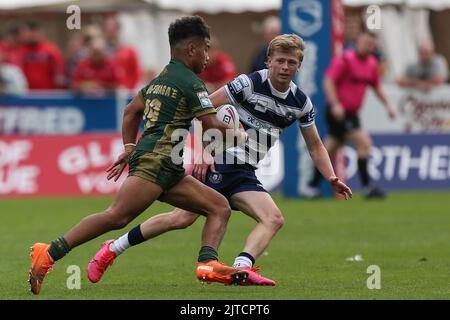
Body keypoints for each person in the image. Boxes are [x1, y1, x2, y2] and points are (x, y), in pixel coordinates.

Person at [86, 34, 352, 286]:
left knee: (255, 218)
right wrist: (204, 152)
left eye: (291, 62)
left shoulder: (300, 103)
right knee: (193, 218)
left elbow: (316, 145)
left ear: (298, 65)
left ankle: (240, 267)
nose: (284, 66)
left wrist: (331, 177)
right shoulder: (248, 84)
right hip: (222, 161)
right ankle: (114, 248)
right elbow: (204, 109)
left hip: (245, 170)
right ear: (268, 60)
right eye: (279, 60)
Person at [28, 15, 249, 295]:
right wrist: (241, 134)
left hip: (168, 167)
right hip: (157, 162)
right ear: (192, 48)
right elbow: (212, 126)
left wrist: (130, 148)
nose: (208, 56)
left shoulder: (159, 80)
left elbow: (131, 111)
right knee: (116, 217)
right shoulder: (191, 83)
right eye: (206, 48)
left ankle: (208, 264)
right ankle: (47, 253)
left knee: (218, 206)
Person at [308, 32, 396, 199]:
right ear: (357, 42)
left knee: (330, 148)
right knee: (364, 143)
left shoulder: (371, 64)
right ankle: (368, 187)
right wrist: (335, 104)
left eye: (371, 44)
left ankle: (312, 188)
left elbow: (377, 87)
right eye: (364, 42)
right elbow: (328, 80)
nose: (367, 46)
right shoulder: (346, 59)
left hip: (352, 114)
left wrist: (388, 106)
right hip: (339, 112)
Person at [19, 20, 66, 90]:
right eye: (29, 32)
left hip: (47, 94)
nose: (32, 35)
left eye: (35, 32)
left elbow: (60, 74)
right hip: (24, 94)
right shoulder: (19, 50)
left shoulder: (51, 50)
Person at [103, 15, 142, 90]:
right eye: (107, 30)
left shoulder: (129, 51)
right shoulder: (100, 51)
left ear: (118, 30)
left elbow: (136, 72)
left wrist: (129, 88)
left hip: (125, 91)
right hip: (106, 92)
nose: (110, 33)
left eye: (112, 30)